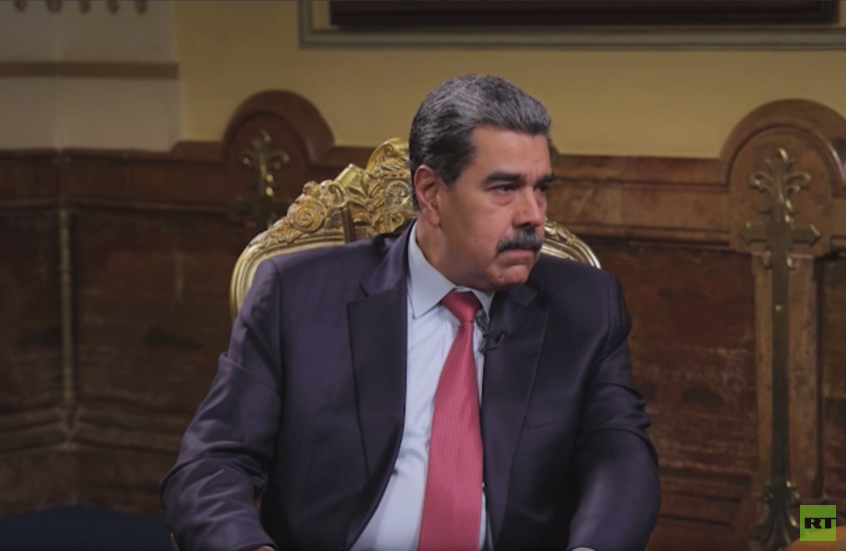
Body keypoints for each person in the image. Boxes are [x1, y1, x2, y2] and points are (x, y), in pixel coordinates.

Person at [160, 74, 660, 551]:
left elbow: (619, 455)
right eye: (504, 188)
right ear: (431, 193)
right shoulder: (298, 297)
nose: (533, 215)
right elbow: (210, 464)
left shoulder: (584, 307)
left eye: (541, 188)